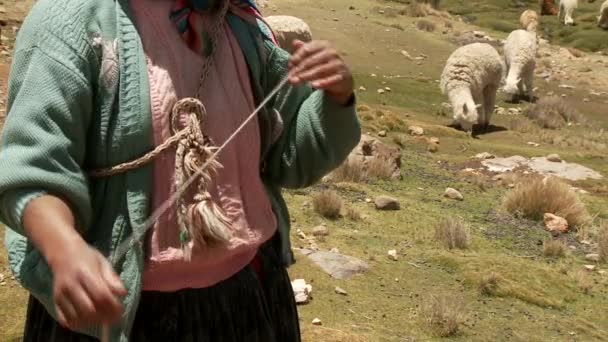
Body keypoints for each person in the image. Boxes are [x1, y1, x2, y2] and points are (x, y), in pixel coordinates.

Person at [0, 0, 360, 341]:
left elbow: (293, 158)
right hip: (122, 309)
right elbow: (33, 163)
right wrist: (63, 248)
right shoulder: (70, 22)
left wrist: (335, 98)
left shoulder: (240, 27)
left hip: (249, 296)